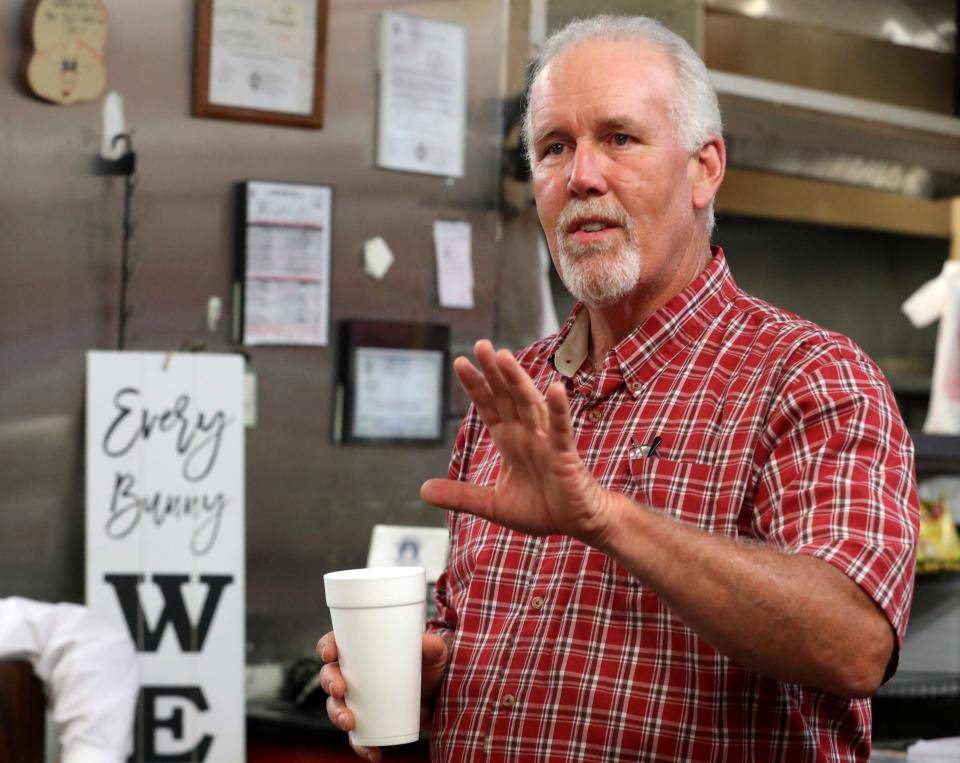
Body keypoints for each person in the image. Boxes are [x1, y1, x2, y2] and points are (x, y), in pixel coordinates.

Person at [319, 14, 919, 762]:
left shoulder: (810, 376)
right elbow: (478, 641)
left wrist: (605, 517)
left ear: (704, 168)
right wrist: (432, 675)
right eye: (554, 147)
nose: (582, 177)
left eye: (619, 139)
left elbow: (854, 642)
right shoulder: (517, 391)